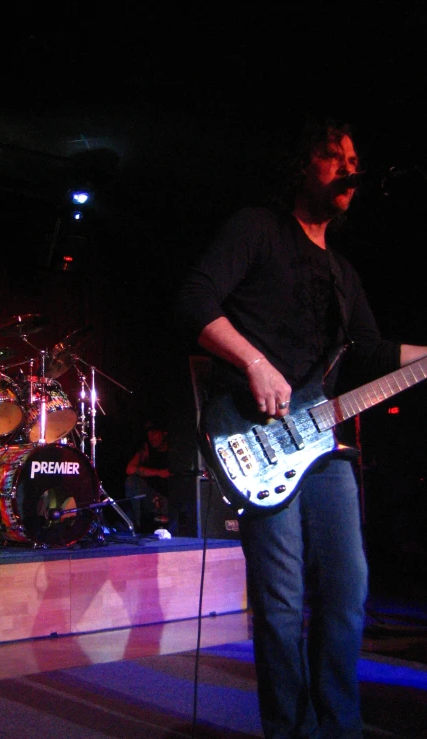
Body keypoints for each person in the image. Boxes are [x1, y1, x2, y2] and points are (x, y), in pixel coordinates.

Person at [176, 117, 427, 738]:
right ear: (302, 166)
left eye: (354, 159)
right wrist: (255, 364)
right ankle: (288, 729)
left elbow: (367, 353)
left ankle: (340, 726)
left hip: (326, 443)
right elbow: (193, 301)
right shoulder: (256, 229)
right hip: (255, 433)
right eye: (333, 156)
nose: (349, 168)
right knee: (283, 601)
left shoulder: (344, 271)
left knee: (347, 594)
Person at [124, 420, 173, 533]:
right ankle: (135, 526)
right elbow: (129, 469)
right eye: (149, 434)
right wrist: (158, 472)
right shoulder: (146, 449)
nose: (151, 437)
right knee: (131, 481)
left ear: (164, 433)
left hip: (170, 498)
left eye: (154, 433)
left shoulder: (173, 450)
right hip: (151, 496)